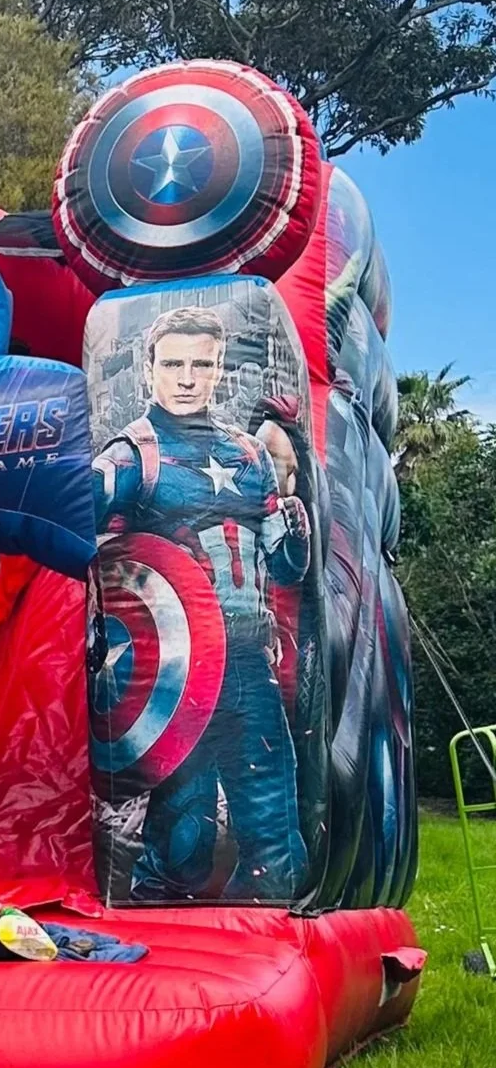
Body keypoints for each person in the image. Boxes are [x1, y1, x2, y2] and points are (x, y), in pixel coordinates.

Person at [93, 304, 312, 900]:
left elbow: (286, 565)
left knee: (273, 821)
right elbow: (86, 520)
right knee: (180, 831)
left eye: (200, 364)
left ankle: (267, 938)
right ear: (150, 370)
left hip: (245, 657)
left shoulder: (249, 455)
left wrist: (294, 531)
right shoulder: (134, 453)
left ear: (217, 369)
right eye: (173, 364)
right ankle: (162, 942)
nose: (186, 377)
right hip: (178, 669)